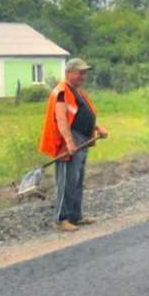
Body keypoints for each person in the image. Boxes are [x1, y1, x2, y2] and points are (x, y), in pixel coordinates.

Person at [39, 58, 109, 232]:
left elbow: (80, 115)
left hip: (83, 139)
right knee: (67, 181)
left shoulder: (76, 91)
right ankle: (61, 219)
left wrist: (97, 127)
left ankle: (76, 216)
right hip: (68, 141)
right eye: (80, 72)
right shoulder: (61, 92)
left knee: (77, 180)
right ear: (69, 72)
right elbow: (62, 119)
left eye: (84, 73)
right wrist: (69, 142)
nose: (83, 76)